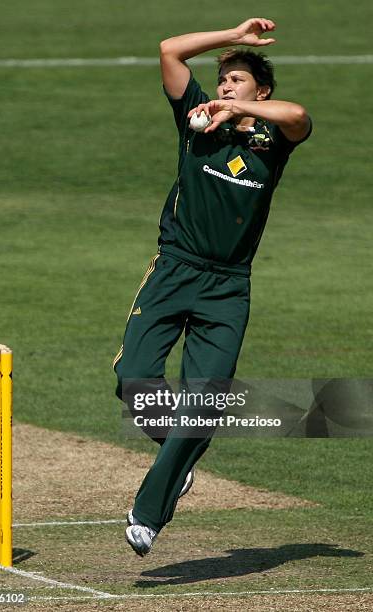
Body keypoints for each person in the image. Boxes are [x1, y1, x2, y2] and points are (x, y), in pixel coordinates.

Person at [113, 17, 312, 556]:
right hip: (174, 268)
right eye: (222, 80)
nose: (225, 86)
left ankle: (149, 513)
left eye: (237, 79)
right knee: (133, 380)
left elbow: (300, 117)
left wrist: (243, 112)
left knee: (202, 403)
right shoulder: (195, 119)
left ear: (260, 91)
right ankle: (180, 458)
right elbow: (170, 50)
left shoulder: (274, 139)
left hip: (227, 288)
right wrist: (234, 40)